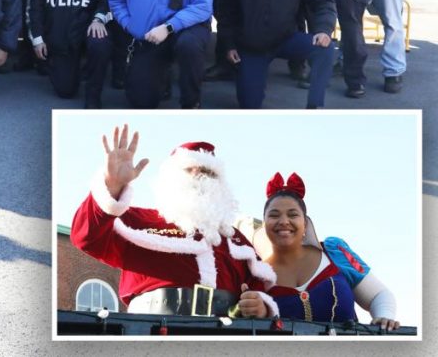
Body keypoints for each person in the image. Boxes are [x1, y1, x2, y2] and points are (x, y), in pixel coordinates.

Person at [70, 125, 277, 318]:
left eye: (210, 173)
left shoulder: (236, 241)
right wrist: (112, 186)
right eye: (192, 169)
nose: (202, 178)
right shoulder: (138, 221)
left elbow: (257, 287)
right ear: (171, 178)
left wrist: (261, 306)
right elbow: (86, 237)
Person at [256, 172, 399, 329]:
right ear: (264, 224)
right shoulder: (254, 273)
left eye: (293, 214)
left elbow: (378, 295)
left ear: (305, 223)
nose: (283, 221)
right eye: (274, 215)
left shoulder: (334, 253)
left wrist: (384, 318)